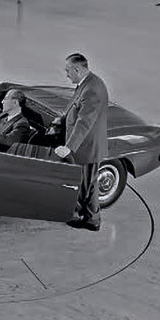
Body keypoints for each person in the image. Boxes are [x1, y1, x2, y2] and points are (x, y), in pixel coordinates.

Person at [51, 53, 109, 232]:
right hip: (85, 146)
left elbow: (84, 122)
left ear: (77, 69)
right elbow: (75, 107)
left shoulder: (92, 90)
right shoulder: (86, 84)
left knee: (87, 184)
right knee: (88, 183)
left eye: (68, 71)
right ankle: (89, 216)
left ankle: (92, 220)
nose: (66, 74)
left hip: (87, 148)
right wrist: (62, 120)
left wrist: (68, 148)